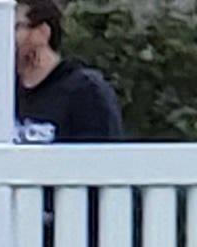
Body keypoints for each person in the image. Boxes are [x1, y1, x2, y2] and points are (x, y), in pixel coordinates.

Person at [15, 0, 126, 141]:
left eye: (15, 27)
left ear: (42, 33)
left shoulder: (86, 92)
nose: (3, 37)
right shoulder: (0, 93)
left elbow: (101, 158)